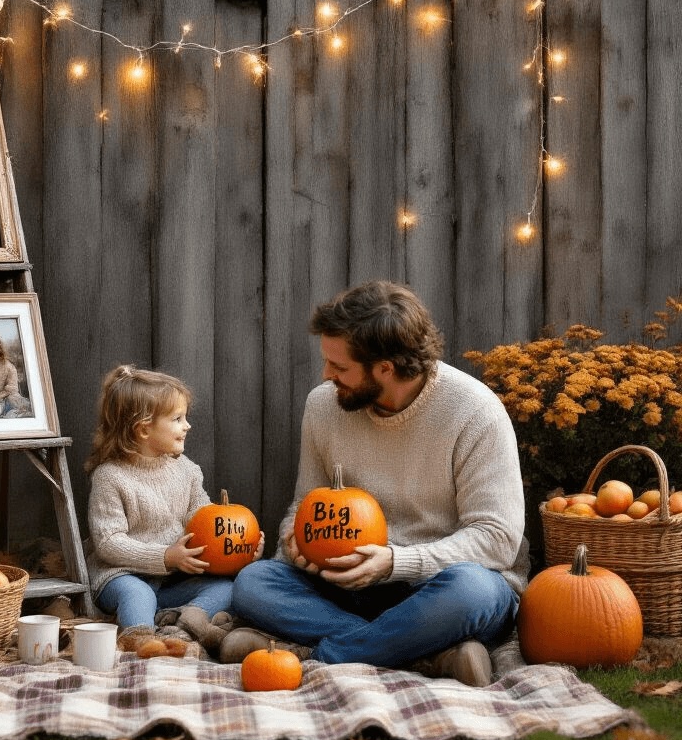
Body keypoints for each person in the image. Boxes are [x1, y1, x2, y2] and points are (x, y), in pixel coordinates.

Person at [221, 280, 529, 687]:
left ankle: (318, 654)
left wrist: (395, 563)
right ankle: (426, 655)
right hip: (343, 588)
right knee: (254, 584)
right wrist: (297, 544)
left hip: (435, 589)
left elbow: (497, 539)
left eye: (339, 367)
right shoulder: (323, 405)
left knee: (475, 590)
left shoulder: (475, 412)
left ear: (386, 368)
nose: (326, 374)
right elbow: (303, 505)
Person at [84, 364, 262, 655]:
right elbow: (108, 542)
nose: (187, 425)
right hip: (121, 576)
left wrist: (238, 544)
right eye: (177, 419)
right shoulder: (111, 477)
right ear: (143, 429)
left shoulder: (188, 471)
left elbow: (204, 520)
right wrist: (165, 556)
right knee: (137, 593)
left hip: (173, 582)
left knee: (227, 587)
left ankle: (181, 628)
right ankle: (141, 641)